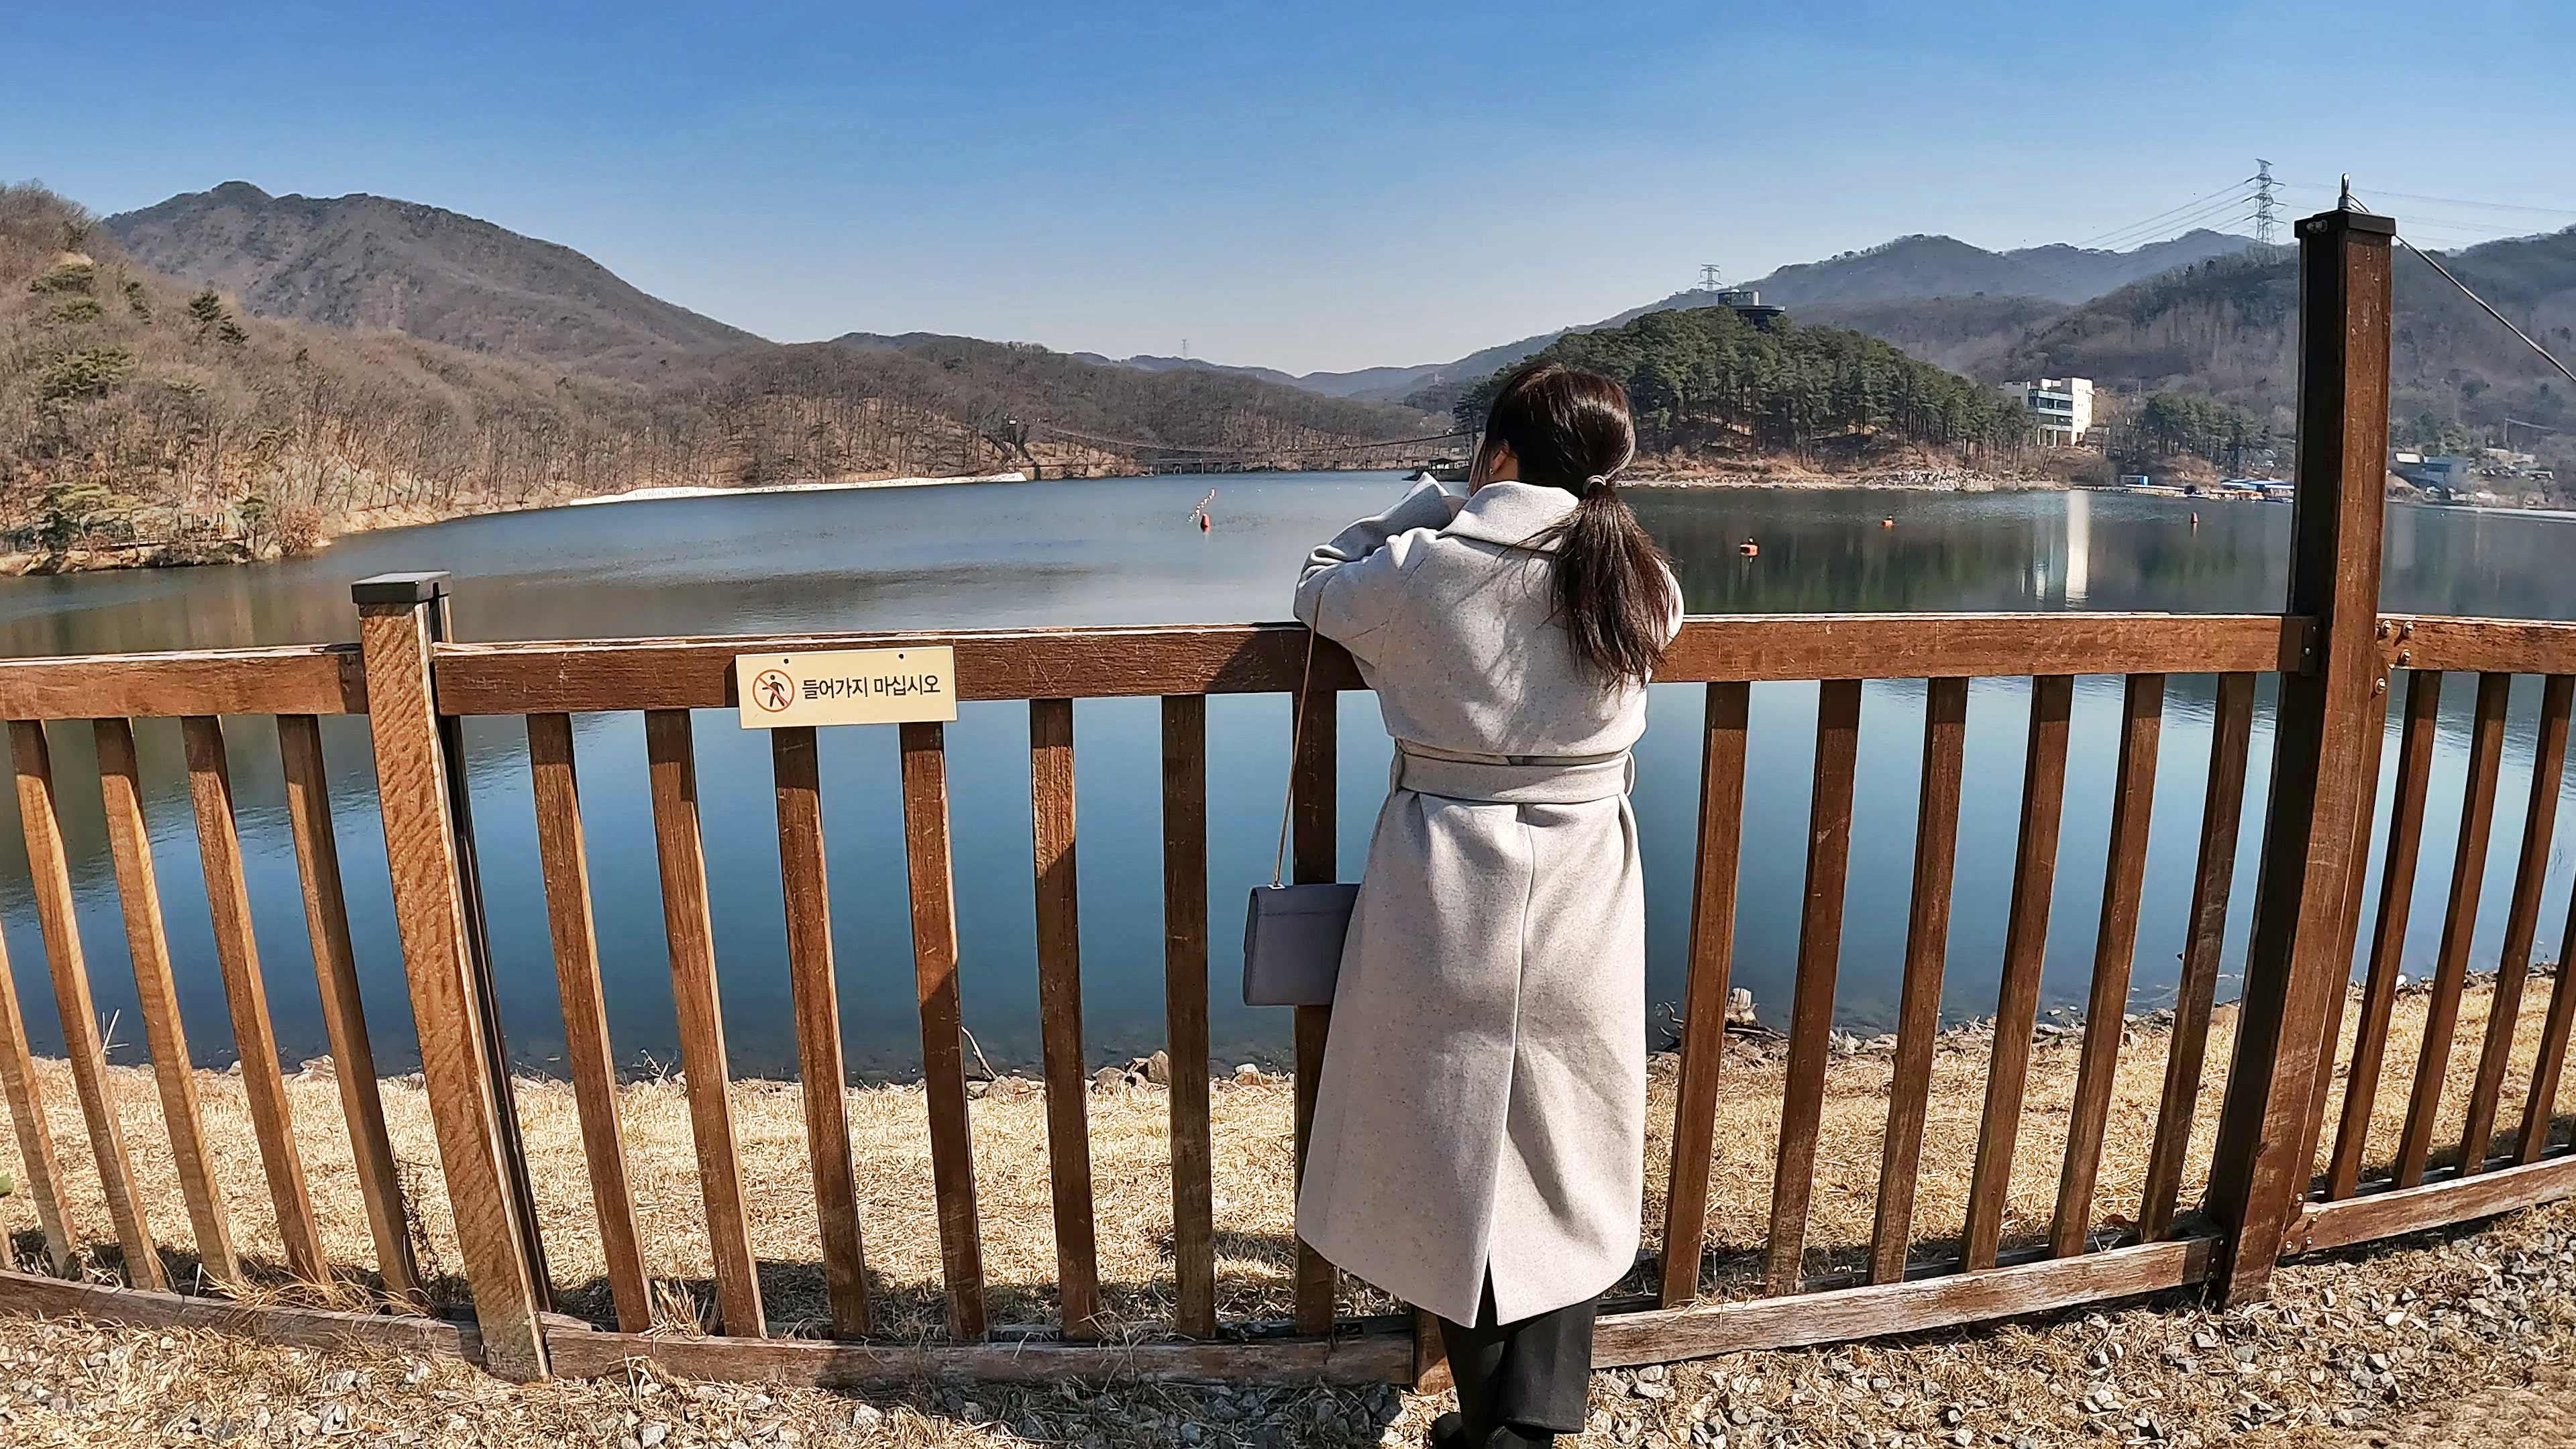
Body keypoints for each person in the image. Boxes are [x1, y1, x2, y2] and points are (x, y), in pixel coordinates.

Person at [1292, 361, 1683, 1448]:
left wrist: (1429, 503)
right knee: (1568, 1140)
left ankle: (1495, 1423)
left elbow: (1318, 585)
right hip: (1586, 882)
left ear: (1497, 454)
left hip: (1446, 879)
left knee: (1448, 1145)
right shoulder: (1638, 578)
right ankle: (1533, 1422)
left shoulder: (1425, 568)